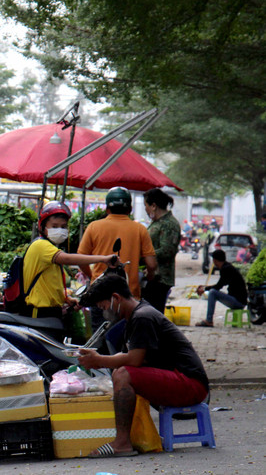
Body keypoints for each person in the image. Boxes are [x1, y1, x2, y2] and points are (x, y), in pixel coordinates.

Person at [77, 274, 209, 458]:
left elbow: (134, 360)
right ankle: (128, 438)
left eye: (104, 307)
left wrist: (99, 360)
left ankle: (122, 443)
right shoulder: (135, 316)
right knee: (120, 372)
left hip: (190, 384)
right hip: (178, 378)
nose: (105, 312)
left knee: (123, 374)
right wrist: (102, 360)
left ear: (116, 298)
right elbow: (132, 357)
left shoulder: (142, 317)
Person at [22, 201, 118, 321]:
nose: (59, 230)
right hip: (39, 312)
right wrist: (103, 259)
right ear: (42, 227)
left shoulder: (50, 248)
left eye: (63, 227)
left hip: (51, 311)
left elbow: (50, 282)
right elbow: (67, 258)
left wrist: (65, 298)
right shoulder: (41, 245)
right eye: (54, 226)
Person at [78, 186, 157, 299]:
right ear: (130, 209)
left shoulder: (93, 227)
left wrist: (92, 277)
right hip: (129, 295)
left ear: (107, 209)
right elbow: (152, 264)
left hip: (100, 293)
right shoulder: (140, 229)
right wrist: (150, 276)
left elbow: (81, 259)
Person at [141, 188, 181, 314]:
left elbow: (167, 251)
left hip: (160, 278)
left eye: (146, 205)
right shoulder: (157, 222)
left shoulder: (169, 224)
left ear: (153, 206)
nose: (145, 209)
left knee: (152, 315)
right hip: (151, 276)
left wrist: (143, 256)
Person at [195, 250, 248, 327]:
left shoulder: (226, 268)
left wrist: (204, 289)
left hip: (238, 302)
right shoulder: (227, 267)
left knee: (213, 292)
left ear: (214, 260)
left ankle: (209, 320)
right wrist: (205, 287)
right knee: (213, 291)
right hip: (239, 300)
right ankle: (209, 320)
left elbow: (218, 286)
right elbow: (221, 284)